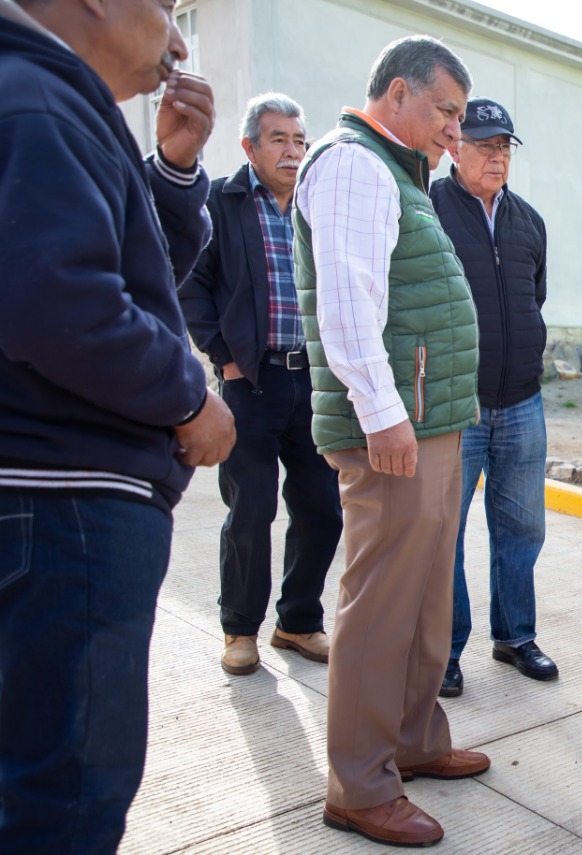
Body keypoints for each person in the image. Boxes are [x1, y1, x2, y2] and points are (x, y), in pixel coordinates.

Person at [0, 0, 236, 849]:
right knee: (65, 800)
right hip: (65, 511)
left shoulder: (53, 104)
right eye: (169, 10)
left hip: (60, 505)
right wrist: (190, 397)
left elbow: (135, 282)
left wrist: (172, 171)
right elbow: (63, 303)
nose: (178, 41)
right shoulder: (33, 99)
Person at [294, 35, 491, 847]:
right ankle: (360, 783)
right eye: (446, 110)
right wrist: (382, 413)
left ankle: (412, 737)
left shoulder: (398, 172)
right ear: (398, 95)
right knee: (381, 603)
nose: (455, 130)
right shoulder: (353, 165)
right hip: (393, 425)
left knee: (423, 595)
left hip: (430, 419)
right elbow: (347, 306)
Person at [180, 93, 343, 676]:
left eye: (300, 140)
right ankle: (239, 629)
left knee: (323, 507)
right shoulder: (220, 202)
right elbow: (191, 285)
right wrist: (223, 357)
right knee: (250, 510)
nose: (294, 151)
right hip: (250, 382)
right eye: (280, 139)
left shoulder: (315, 205)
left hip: (314, 383)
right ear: (249, 146)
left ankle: (298, 620)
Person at [429, 98, 557, 694]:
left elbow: (535, 298)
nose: (496, 157)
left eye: (504, 147)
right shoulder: (426, 210)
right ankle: (445, 650)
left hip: (523, 401)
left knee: (522, 527)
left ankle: (515, 636)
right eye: (484, 145)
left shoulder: (529, 222)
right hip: (457, 406)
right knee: (444, 532)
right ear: (455, 146)